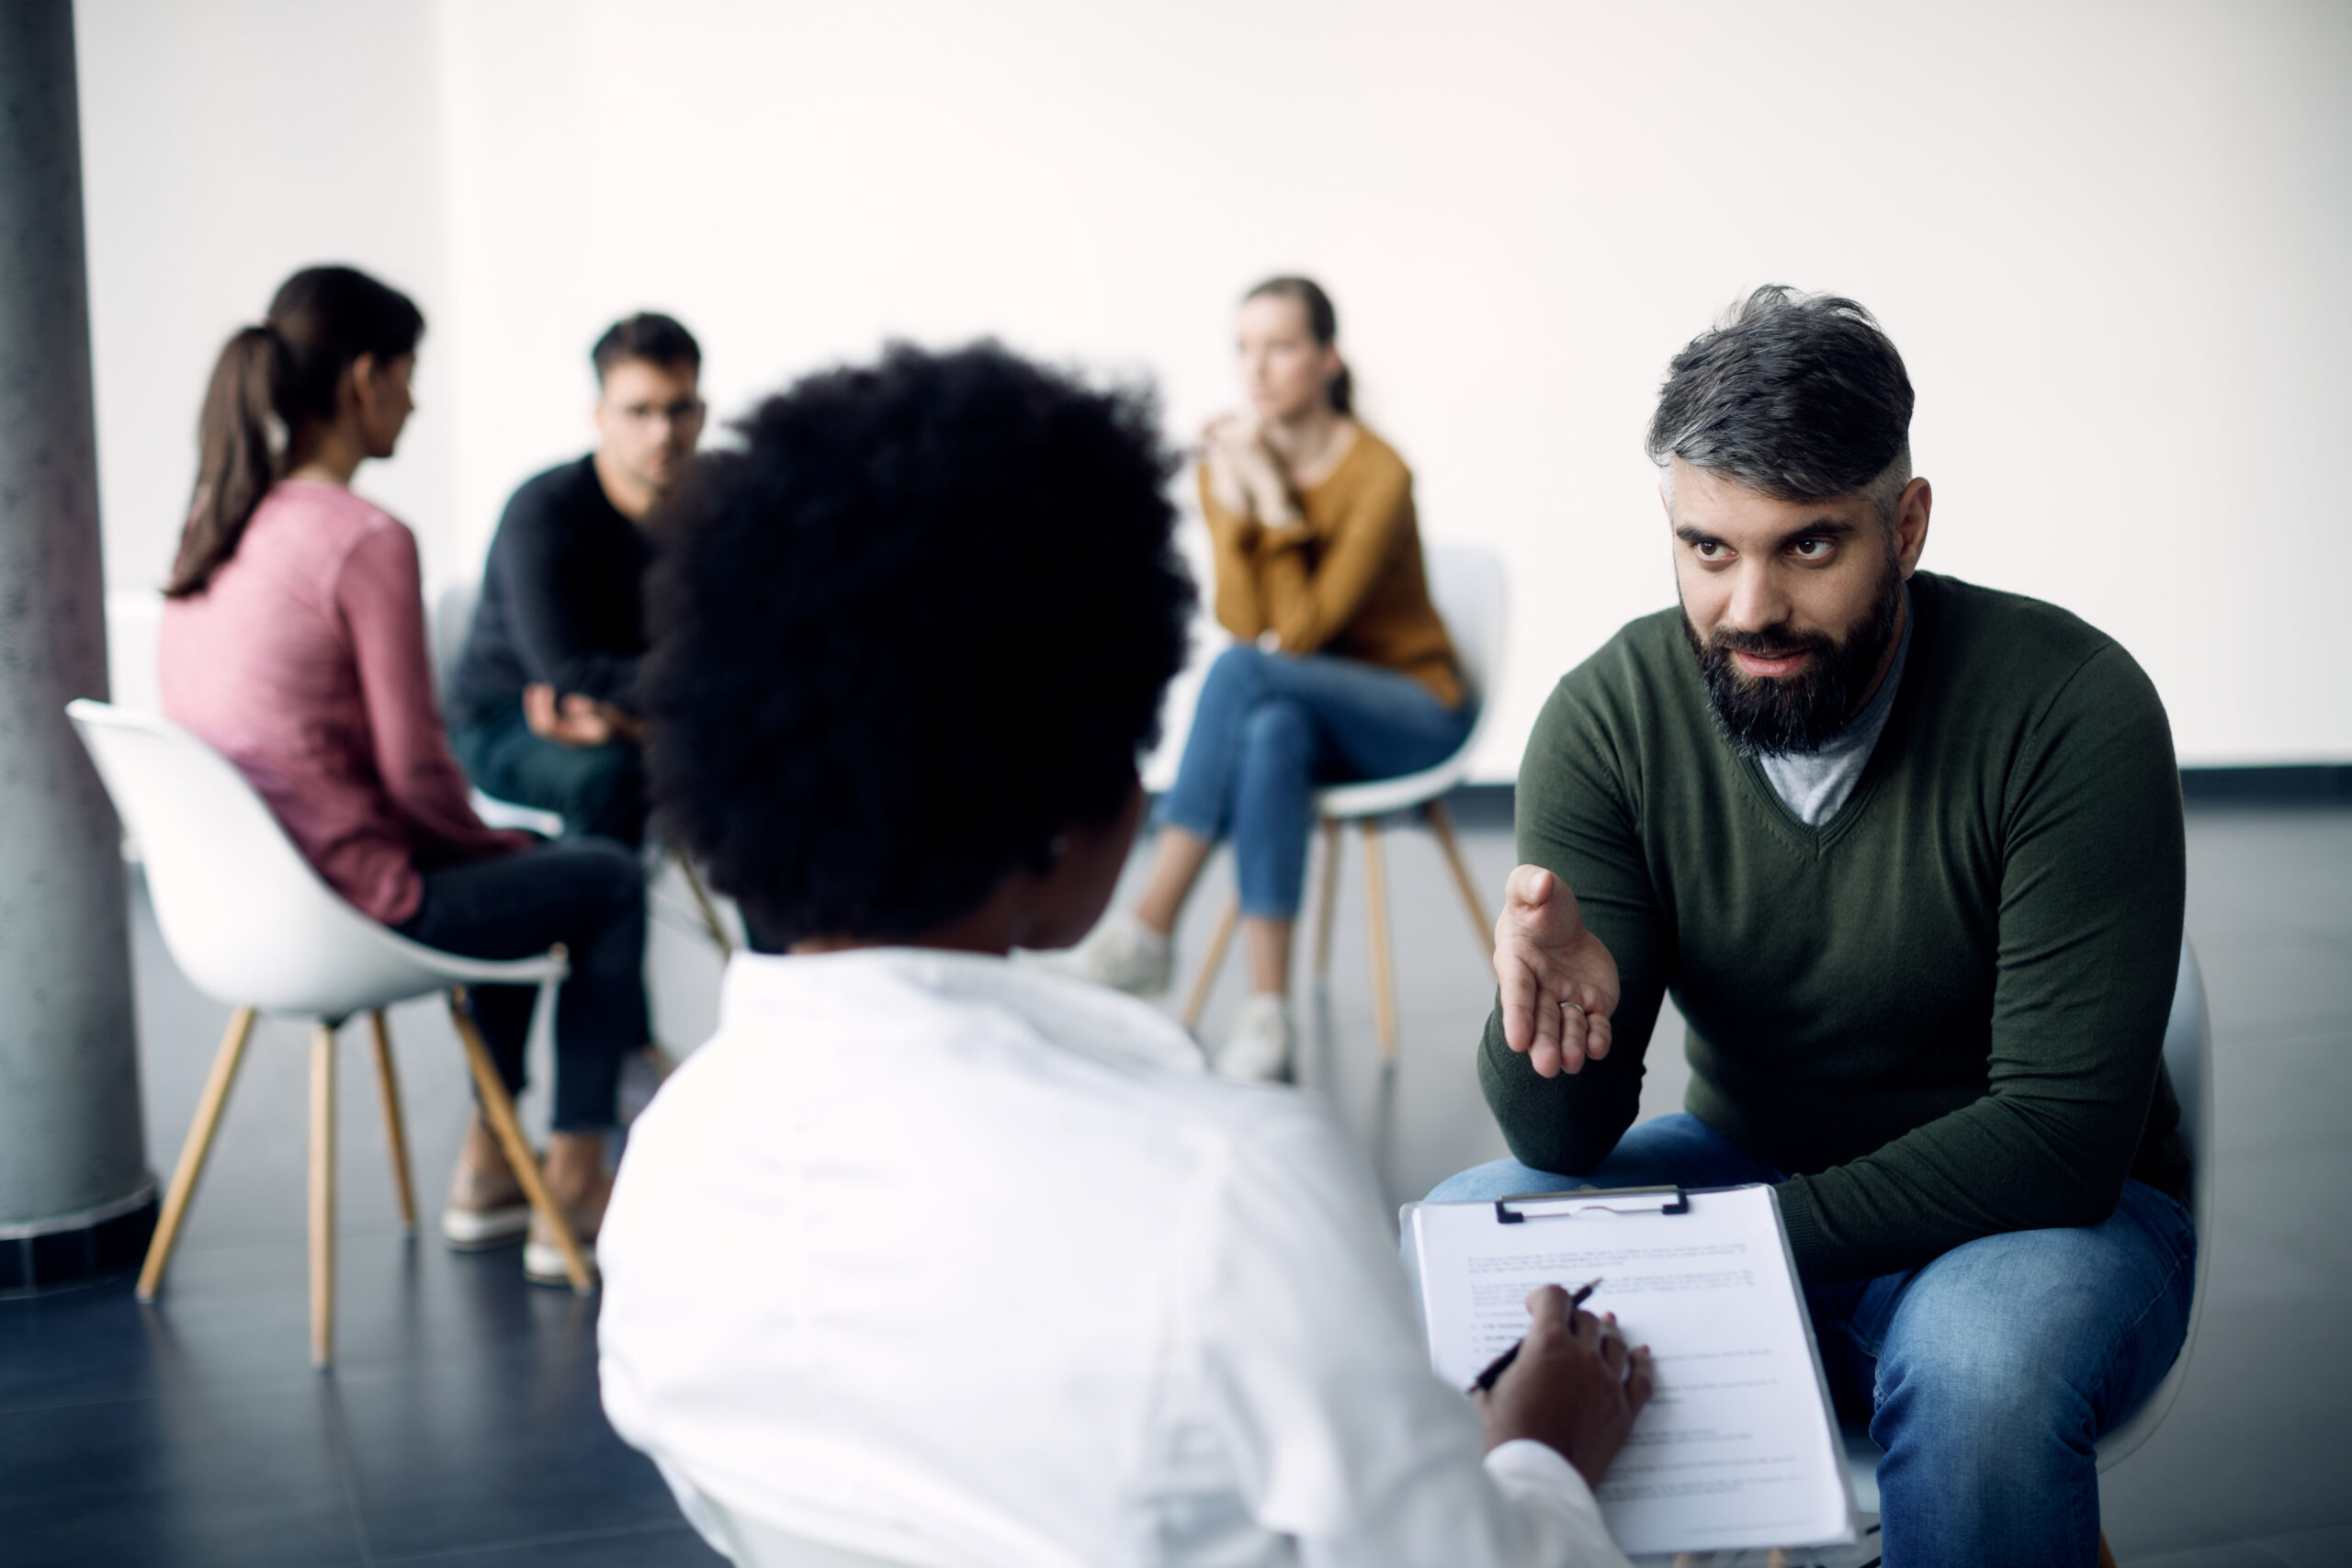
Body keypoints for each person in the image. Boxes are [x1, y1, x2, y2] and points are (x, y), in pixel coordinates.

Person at [597, 343, 1653, 1567]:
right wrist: (1537, 1452)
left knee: (1264, 723)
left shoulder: (669, 1166)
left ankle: (1161, 928)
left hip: (1374, 704)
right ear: (1078, 803)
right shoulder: (1231, 1187)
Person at [1429, 287, 2195, 1568]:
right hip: (1752, 1167)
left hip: (2036, 1219)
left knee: (1982, 1367)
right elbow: (1563, 1138)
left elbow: (2058, 1140)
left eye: (1807, 547)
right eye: (1708, 549)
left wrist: (1728, 1247)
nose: (1748, 608)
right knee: (1464, 1233)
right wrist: (1545, 1027)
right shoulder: (1608, 717)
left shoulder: (2071, 705)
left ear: (1907, 524)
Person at [158, 265, 651, 1285]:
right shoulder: (364, 538)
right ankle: (571, 1179)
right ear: (365, 379)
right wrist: (505, 845)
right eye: (411, 375)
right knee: (596, 877)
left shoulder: (215, 518)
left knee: (526, 871)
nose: (418, 402)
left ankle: (489, 1166)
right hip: (356, 901)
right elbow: (422, 782)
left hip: (242, 908)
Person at [1076, 276, 1471, 1082]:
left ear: (1328, 359)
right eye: (1244, 349)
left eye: (1281, 347)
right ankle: (1268, 1012)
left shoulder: (1378, 473)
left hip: (1411, 707)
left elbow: (1295, 635)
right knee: (1269, 728)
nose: (1257, 370)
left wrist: (1269, 502)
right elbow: (1241, 614)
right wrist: (1230, 502)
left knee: (1247, 678)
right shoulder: (1234, 461)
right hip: (1308, 710)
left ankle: (1149, 924)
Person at [444, 312, 707, 846]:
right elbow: (570, 674)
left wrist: (650, 725)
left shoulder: (714, 507)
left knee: (771, 760)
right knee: (613, 777)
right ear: (600, 416)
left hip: (645, 708)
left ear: (701, 412)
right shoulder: (542, 512)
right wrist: (700, 699)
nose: (663, 433)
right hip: (511, 719)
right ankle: (600, 925)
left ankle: (782, 932)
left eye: (679, 410)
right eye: (639, 412)